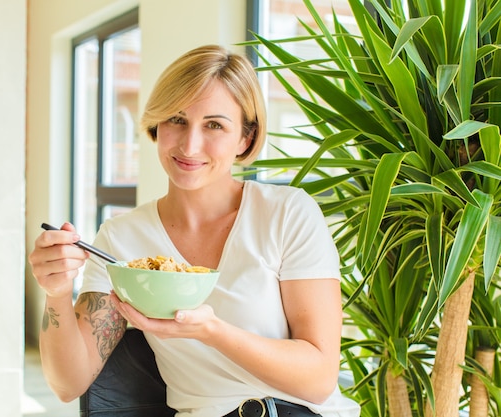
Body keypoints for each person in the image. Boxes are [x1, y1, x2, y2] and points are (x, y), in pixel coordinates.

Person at [29, 44, 360, 417]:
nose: (190, 144)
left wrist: (211, 331)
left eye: (214, 125)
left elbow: (318, 380)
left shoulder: (287, 213)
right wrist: (56, 293)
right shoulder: (121, 239)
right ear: (157, 124)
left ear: (245, 139)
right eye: (177, 120)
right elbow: (67, 383)